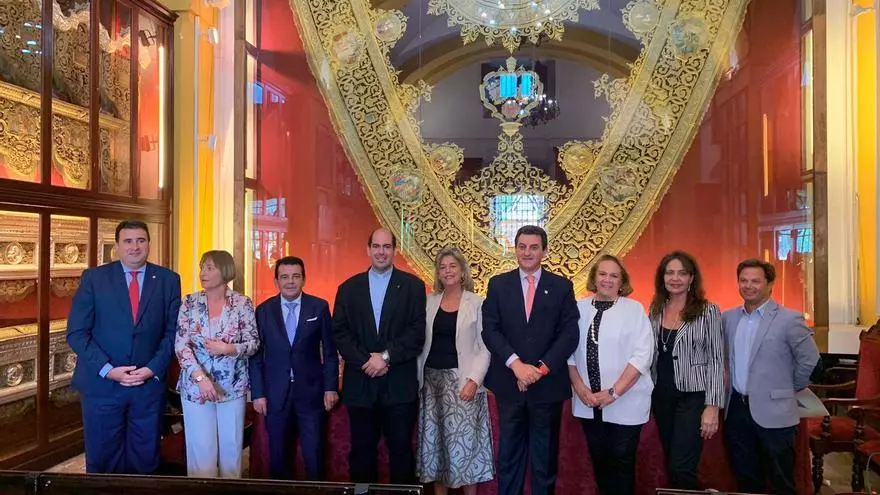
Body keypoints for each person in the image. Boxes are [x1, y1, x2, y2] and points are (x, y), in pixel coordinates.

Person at [66, 220, 181, 474]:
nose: (135, 247)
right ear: (117, 246)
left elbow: (173, 332)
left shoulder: (168, 280)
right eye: (128, 241)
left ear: (149, 243)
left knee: (146, 460)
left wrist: (152, 368)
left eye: (141, 240)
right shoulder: (94, 278)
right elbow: (77, 333)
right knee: (103, 460)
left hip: (147, 387)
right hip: (102, 386)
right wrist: (108, 370)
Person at [481, 225, 579, 495]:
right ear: (515, 250)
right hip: (508, 384)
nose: (527, 252)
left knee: (544, 461)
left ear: (544, 251)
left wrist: (539, 370)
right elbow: (490, 330)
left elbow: (569, 334)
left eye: (534, 247)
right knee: (509, 458)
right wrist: (516, 365)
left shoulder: (561, 286)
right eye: (522, 247)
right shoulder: (498, 284)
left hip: (547, 387)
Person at [332, 227, 427, 484]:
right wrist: (367, 360)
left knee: (401, 453)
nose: (381, 252)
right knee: (361, 454)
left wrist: (384, 357)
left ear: (395, 250)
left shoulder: (413, 287)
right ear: (368, 249)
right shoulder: (348, 288)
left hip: (398, 386)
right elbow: (340, 333)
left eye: (386, 247)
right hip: (360, 386)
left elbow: (416, 334)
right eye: (376, 246)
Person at [723, 259, 820, 495]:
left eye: (755, 281)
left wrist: (788, 388)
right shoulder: (728, 318)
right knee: (746, 480)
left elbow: (810, 360)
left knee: (781, 481)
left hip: (776, 412)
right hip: (736, 411)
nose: (748, 286)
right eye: (743, 280)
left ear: (770, 284)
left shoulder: (789, 319)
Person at [568, 254, 653, 495]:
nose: (607, 279)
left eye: (614, 275)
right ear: (594, 277)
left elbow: (642, 356)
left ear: (622, 281)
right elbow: (568, 354)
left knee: (621, 464)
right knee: (600, 462)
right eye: (603, 274)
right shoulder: (578, 309)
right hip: (589, 402)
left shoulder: (634, 310)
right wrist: (581, 389)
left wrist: (613, 393)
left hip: (625, 401)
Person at [249, 256, 339, 480]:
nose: (290, 282)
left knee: (314, 457)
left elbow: (330, 353)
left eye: (295, 276)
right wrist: (258, 393)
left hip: (311, 393)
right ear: (276, 281)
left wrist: (330, 388)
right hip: (275, 395)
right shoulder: (263, 311)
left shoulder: (319, 307)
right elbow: (256, 357)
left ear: (304, 279)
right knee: (278, 459)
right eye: (285, 277)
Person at [174, 250, 260, 478]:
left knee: (231, 453)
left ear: (225, 271)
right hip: (196, 388)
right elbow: (181, 346)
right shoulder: (189, 303)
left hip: (232, 387)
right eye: (202, 267)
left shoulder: (242, 303)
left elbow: (253, 344)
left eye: (209, 268)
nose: (203, 273)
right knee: (201, 454)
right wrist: (200, 379)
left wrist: (228, 349)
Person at [416, 247, 494, 494]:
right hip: (431, 385)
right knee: (437, 450)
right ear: (437, 274)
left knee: (467, 451)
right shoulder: (428, 302)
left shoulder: (477, 303)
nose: (447, 271)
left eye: (452, 266)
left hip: (463, 386)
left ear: (462, 272)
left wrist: (474, 380)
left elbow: (485, 347)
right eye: (442, 267)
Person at [648, 251, 725, 489]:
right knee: (671, 461)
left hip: (692, 398)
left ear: (691, 278)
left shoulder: (708, 311)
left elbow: (716, 359)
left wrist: (712, 406)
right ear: (662, 278)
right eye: (670, 273)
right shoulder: (656, 309)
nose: (675, 278)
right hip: (661, 397)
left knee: (681, 467)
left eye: (682, 273)